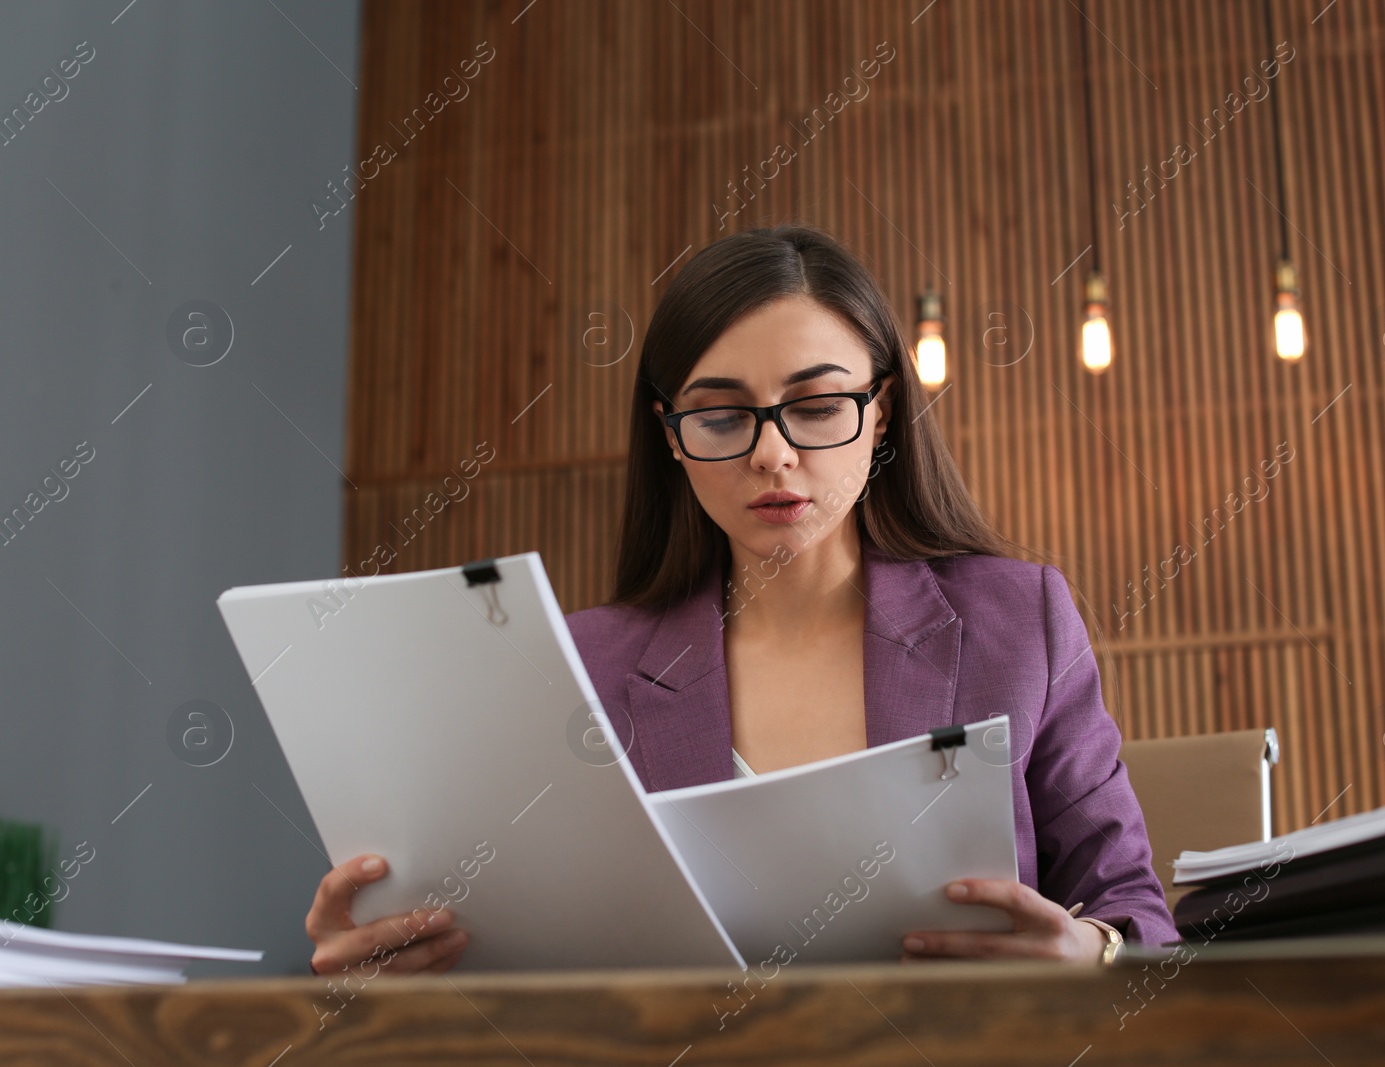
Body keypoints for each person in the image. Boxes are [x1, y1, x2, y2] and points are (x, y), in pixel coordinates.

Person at [303, 224, 1178, 978]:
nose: (773, 455)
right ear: (671, 439)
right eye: (722, 416)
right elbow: (531, 955)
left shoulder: (1017, 620)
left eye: (817, 404)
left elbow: (1135, 910)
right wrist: (406, 958)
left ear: (881, 415)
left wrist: (1089, 949)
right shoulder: (579, 666)